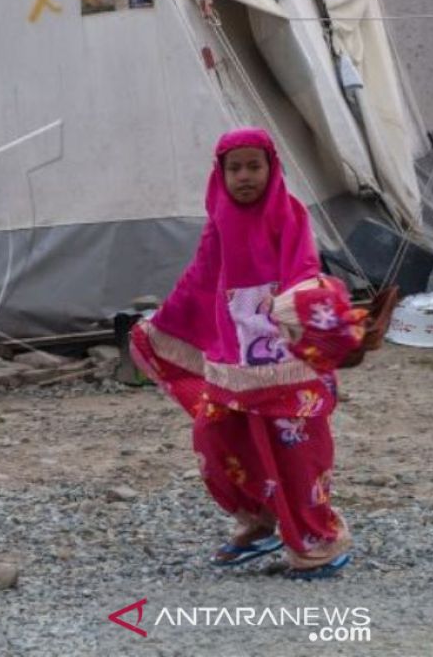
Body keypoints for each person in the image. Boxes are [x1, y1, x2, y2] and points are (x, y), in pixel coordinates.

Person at [130, 128, 365, 580]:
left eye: (253, 166)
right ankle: (261, 519)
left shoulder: (287, 211)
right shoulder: (219, 218)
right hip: (232, 356)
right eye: (234, 168)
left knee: (294, 450)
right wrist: (161, 326)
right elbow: (202, 274)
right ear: (220, 174)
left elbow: (304, 268)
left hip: (283, 354)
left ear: (271, 167)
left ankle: (319, 538)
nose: (244, 177)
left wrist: (294, 306)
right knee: (215, 436)